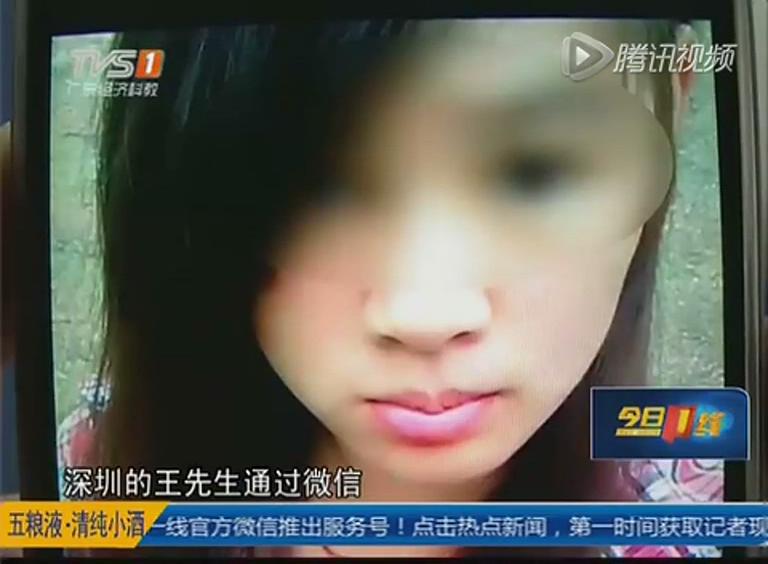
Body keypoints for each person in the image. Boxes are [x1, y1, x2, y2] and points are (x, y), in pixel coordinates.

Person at [49, 19, 723, 557]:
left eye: (537, 169)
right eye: (311, 181)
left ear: (673, 104)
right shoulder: (102, 478)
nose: (426, 314)